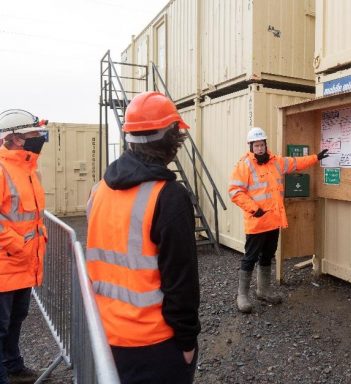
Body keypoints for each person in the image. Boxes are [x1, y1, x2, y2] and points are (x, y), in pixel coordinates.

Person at [86, 91, 201, 383]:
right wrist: (187, 342)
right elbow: (181, 281)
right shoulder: (169, 196)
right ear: (171, 139)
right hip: (154, 345)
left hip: (105, 335)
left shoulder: (100, 190)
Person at [229, 127, 328, 313]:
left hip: (273, 222)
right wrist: (253, 208)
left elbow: (296, 163)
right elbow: (235, 191)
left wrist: (316, 157)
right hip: (256, 223)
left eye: (262, 144)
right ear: (251, 146)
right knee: (250, 258)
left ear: (266, 145)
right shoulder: (244, 165)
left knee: (267, 256)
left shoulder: (276, 162)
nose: (260, 148)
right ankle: (242, 295)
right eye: (256, 145)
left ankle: (263, 290)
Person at [0, 109, 49, 384]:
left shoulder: (27, 169)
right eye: (33, 133)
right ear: (16, 138)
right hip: (6, 263)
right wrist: (17, 244)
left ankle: (13, 365)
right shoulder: (2, 169)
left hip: (23, 261)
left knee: (17, 317)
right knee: (0, 326)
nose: (39, 138)